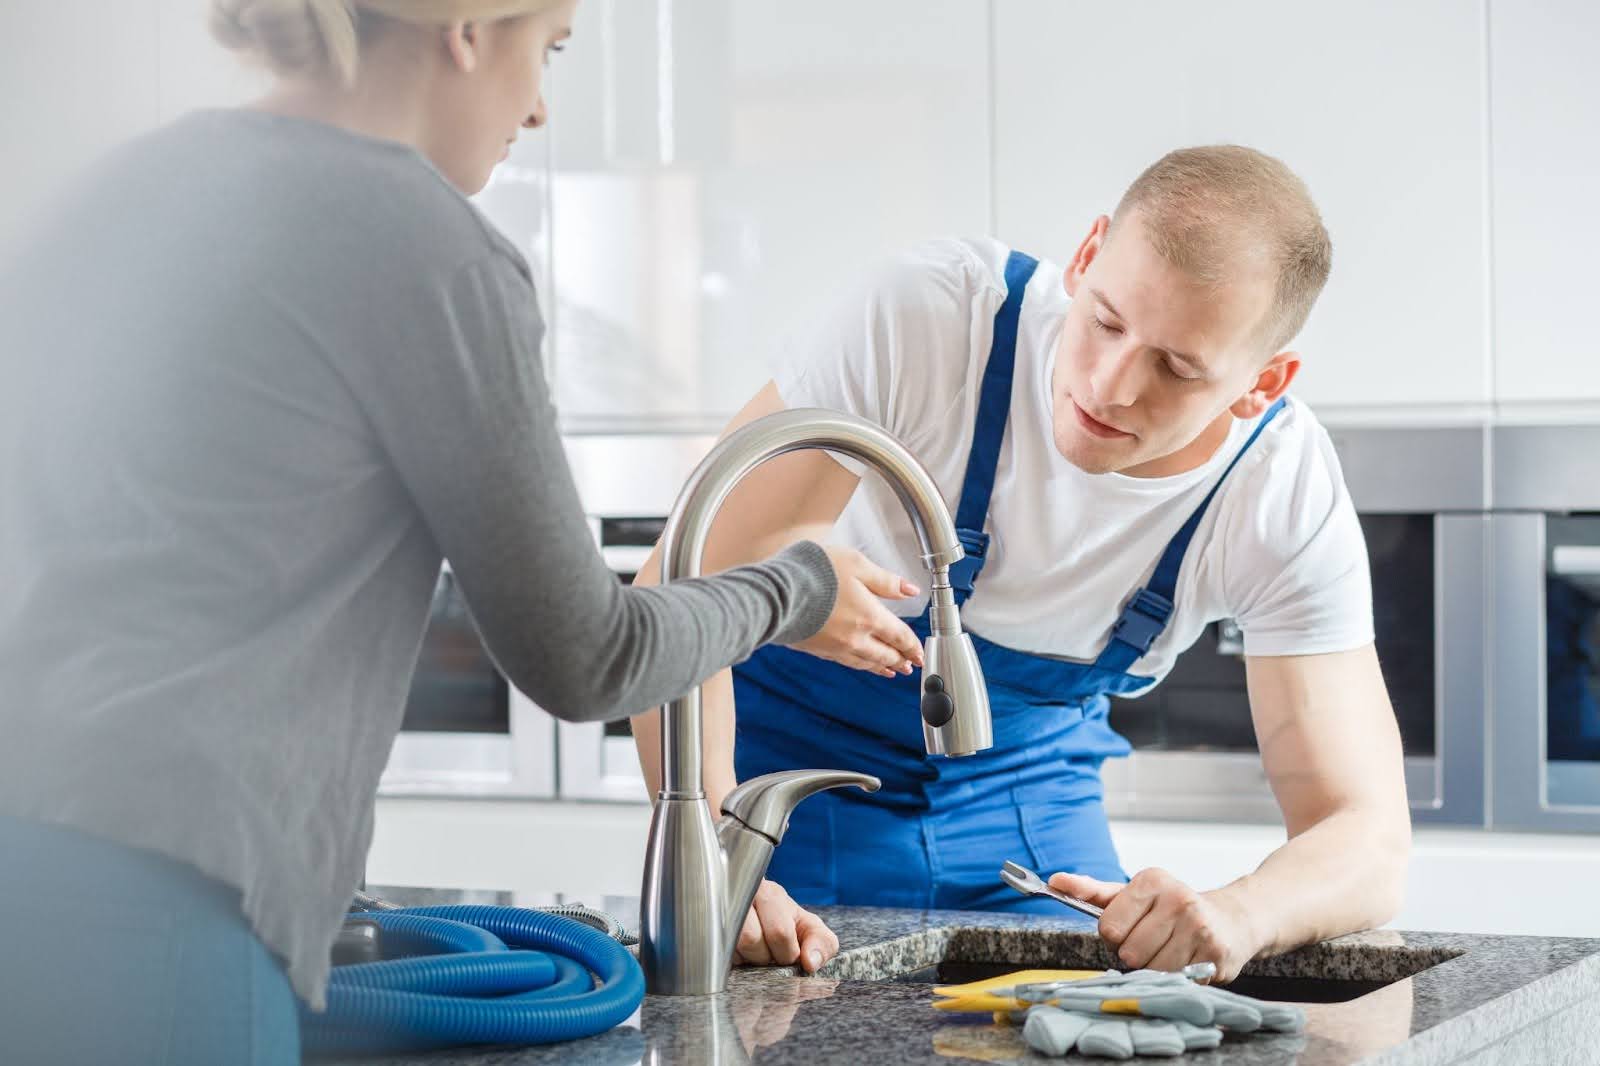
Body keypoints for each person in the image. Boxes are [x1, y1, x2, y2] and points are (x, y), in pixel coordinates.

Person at [0, 1, 925, 1062]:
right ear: (470, 29)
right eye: (550, 51)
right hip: (166, 925)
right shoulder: (425, 248)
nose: (537, 107)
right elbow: (589, 655)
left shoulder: (119, 188)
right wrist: (794, 588)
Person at [632, 146, 1412, 983]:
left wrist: (1240, 912)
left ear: (1264, 382)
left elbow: (1365, 832)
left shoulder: (1276, 488)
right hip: (777, 792)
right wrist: (716, 855)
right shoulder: (930, 318)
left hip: (1026, 815)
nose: (1110, 387)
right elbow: (676, 603)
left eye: (1178, 368)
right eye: (1107, 321)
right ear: (1085, 256)